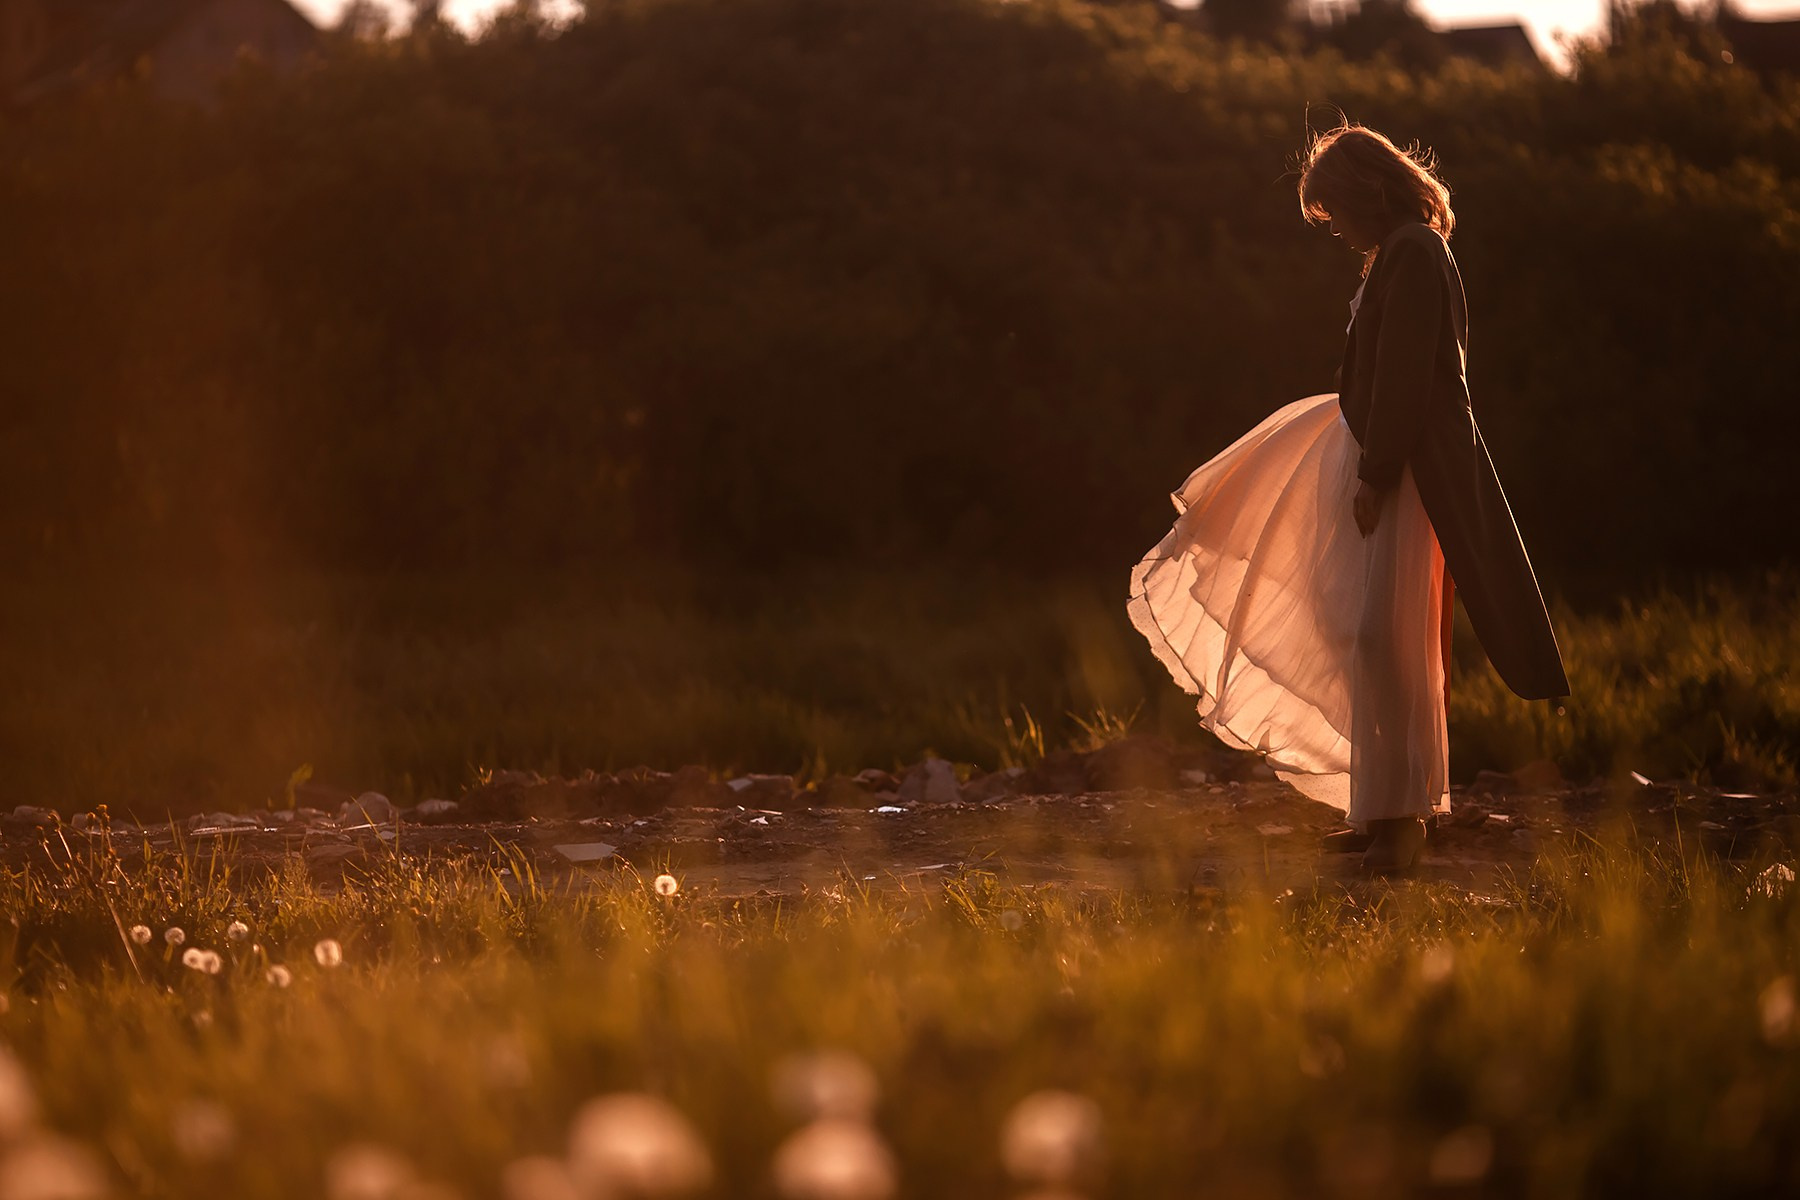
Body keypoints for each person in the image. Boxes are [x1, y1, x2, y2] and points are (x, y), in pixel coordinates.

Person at [1127, 123, 1569, 874]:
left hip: (1406, 467)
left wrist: (1377, 473)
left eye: (1336, 209)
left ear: (1367, 192)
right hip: (1385, 455)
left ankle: (1401, 827)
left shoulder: (1416, 254)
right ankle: (1382, 813)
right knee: (1367, 636)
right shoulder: (1395, 254)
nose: (1334, 229)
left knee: (1386, 640)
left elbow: (1405, 374)